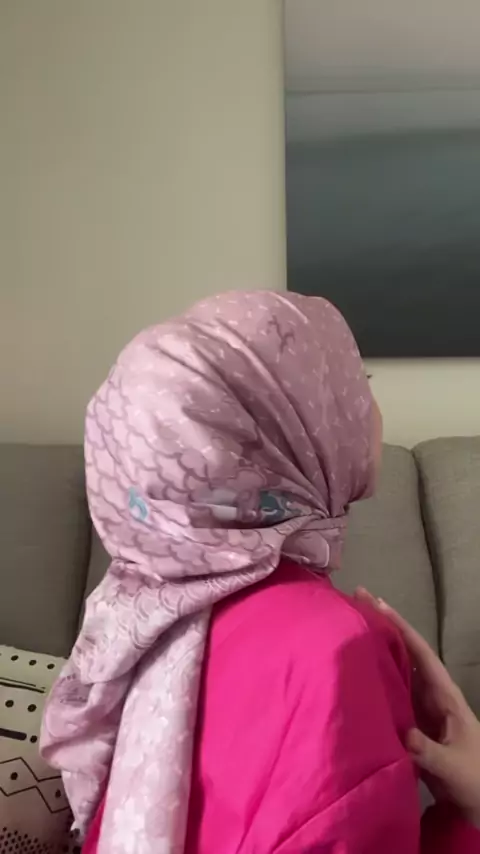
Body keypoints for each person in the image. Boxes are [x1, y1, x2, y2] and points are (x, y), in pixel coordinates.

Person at [39, 291, 480, 853]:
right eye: (358, 385)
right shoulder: (336, 649)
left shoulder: (141, 621)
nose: (371, 409)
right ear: (287, 429)